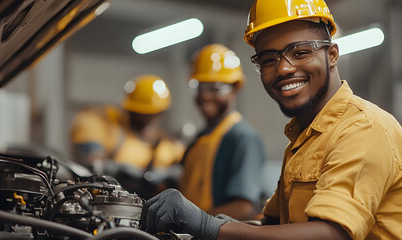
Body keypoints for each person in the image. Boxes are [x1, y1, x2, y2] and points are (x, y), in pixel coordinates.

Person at [140, 1, 402, 240]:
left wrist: (207, 225)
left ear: (332, 54)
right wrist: (197, 226)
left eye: (300, 53)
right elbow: (273, 225)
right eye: (268, 59)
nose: (284, 68)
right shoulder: (304, 138)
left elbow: (330, 234)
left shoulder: (363, 128)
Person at [178, 44, 266, 220]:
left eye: (215, 88)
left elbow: (243, 208)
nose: (205, 96)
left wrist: (189, 221)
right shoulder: (199, 139)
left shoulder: (242, 138)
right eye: (199, 87)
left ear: (234, 88)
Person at [70, 74, 185, 199]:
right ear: (129, 109)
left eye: (151, 114)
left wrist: (170, 174)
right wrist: (114, 168)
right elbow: (91, 163)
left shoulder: (168, 148)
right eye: (140, 113)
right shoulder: (108, 125)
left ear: (161, 113)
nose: (146, 119)